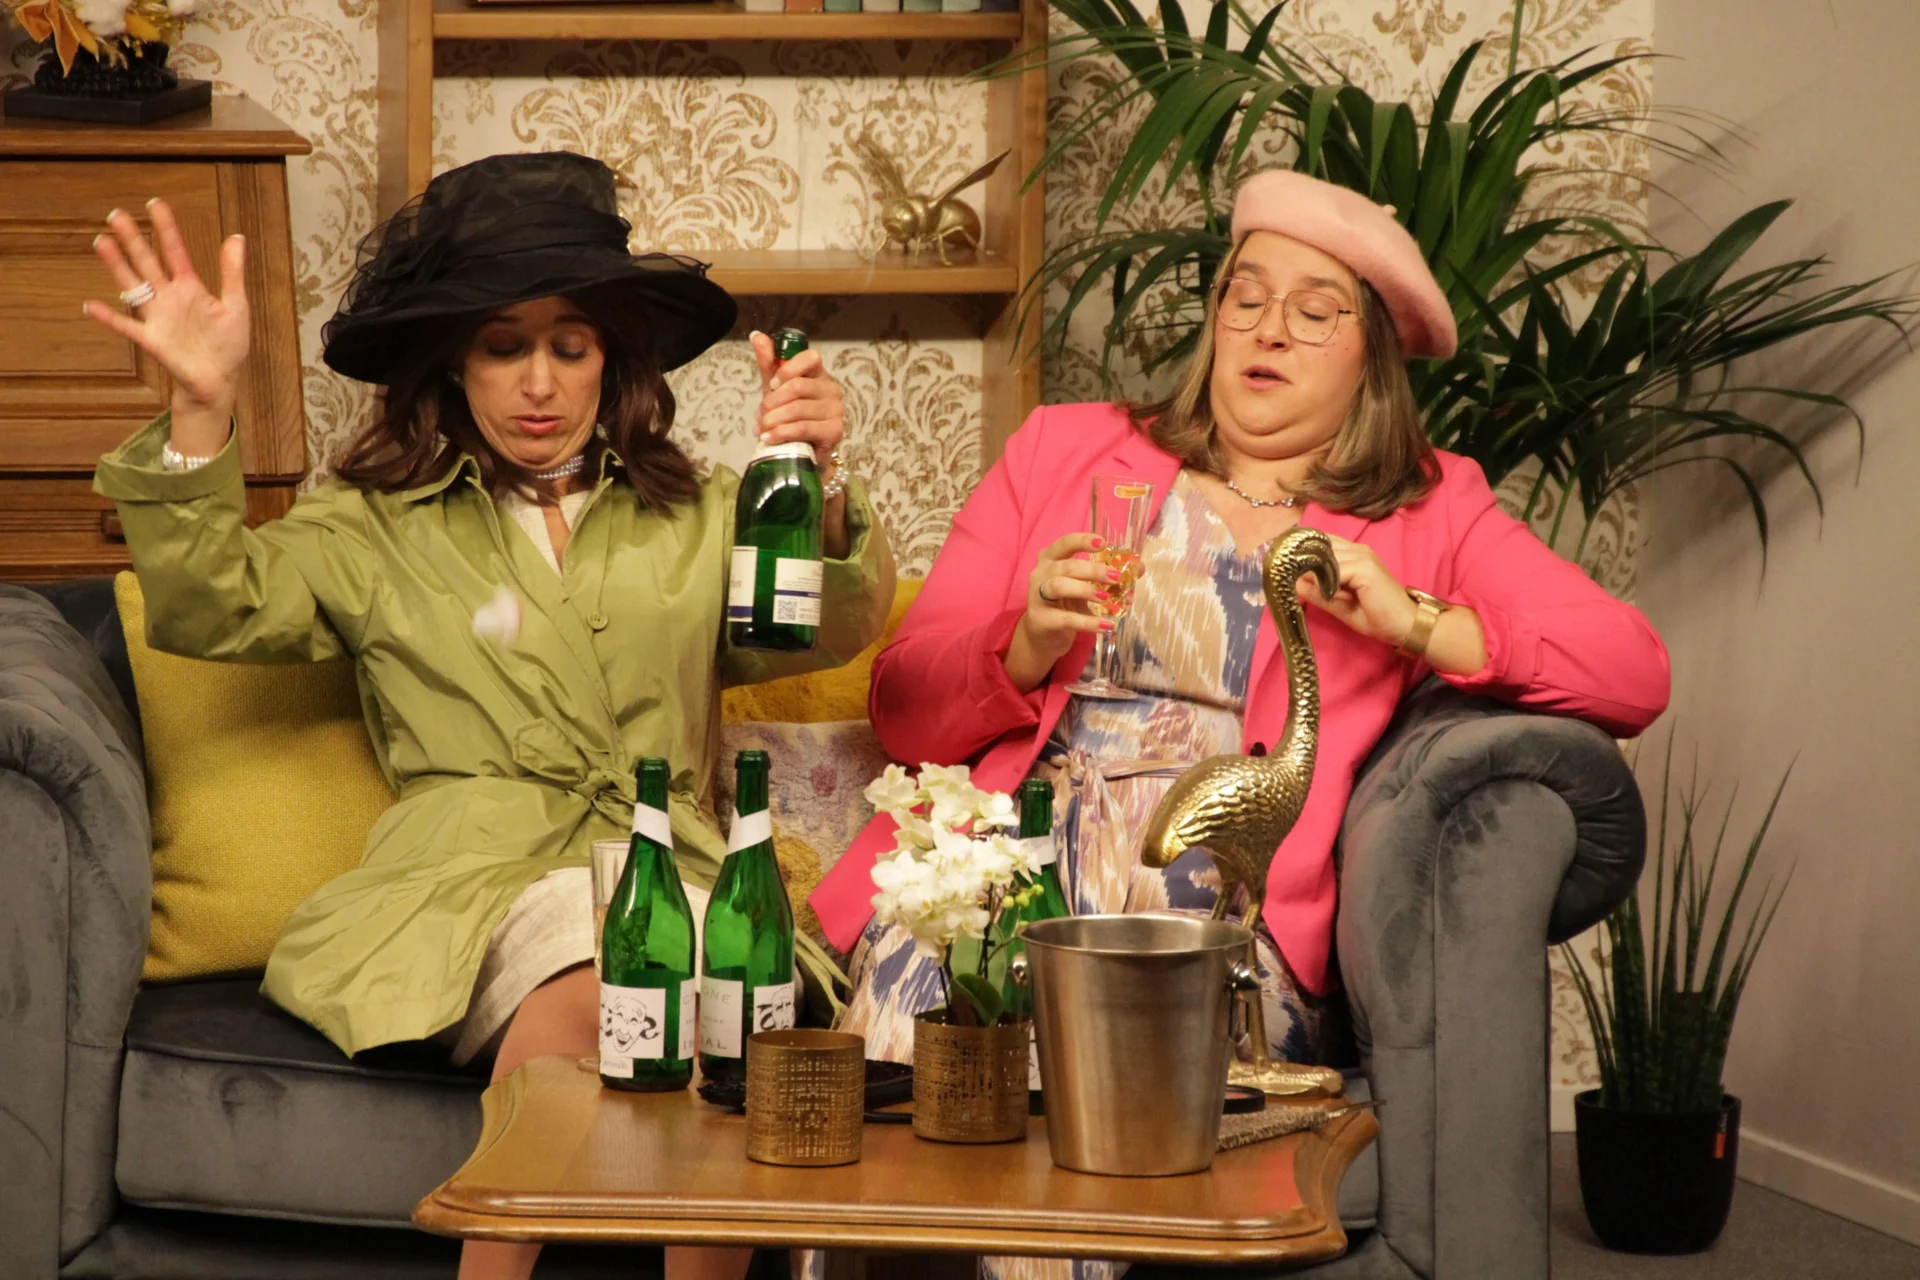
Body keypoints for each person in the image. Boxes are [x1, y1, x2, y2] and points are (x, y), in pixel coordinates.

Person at [86, 151, 895, 1280]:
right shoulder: (373, 526)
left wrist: (819, 474)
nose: (540, 383)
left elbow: (818, 628)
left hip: (674, 859)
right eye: (505, 345)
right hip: (477, 877)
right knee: (601, 964)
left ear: (613, 357)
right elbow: (211, 604)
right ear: (453, 361)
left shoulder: (700, 514)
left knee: (726, 984)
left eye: (571, 344)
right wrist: (200, 405)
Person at [813, 167, 1670, 1139]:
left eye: (1314, 312)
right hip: (1006, 867)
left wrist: (1416, 623)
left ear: (1372, 355)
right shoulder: (1061, 448)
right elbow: (902, 712)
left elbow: (1633, 668)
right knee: (928, 1066)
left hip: (1220, 908)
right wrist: (1024, 642)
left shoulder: (1432, 508)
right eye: (1247, 297)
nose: (1269, 330)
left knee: (1124, 1113)